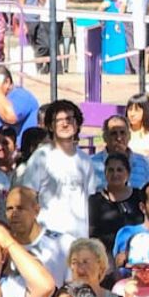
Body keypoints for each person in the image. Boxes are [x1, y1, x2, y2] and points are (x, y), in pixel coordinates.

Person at [17, 100, 98, 239]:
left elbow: (90, 199)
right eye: (58, 120)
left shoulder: (85, 160)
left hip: (78, 239)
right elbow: (27, 196)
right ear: (50, 126)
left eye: (69, 119)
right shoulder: (40, 157)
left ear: (77, 123)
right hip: (47, 239)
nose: (64, 124)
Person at [5, 186, 75, 288]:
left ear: (36, 211)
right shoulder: (2, 247)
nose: (14, 214)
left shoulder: (64, 244)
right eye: (9, 209)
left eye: (20, 208)